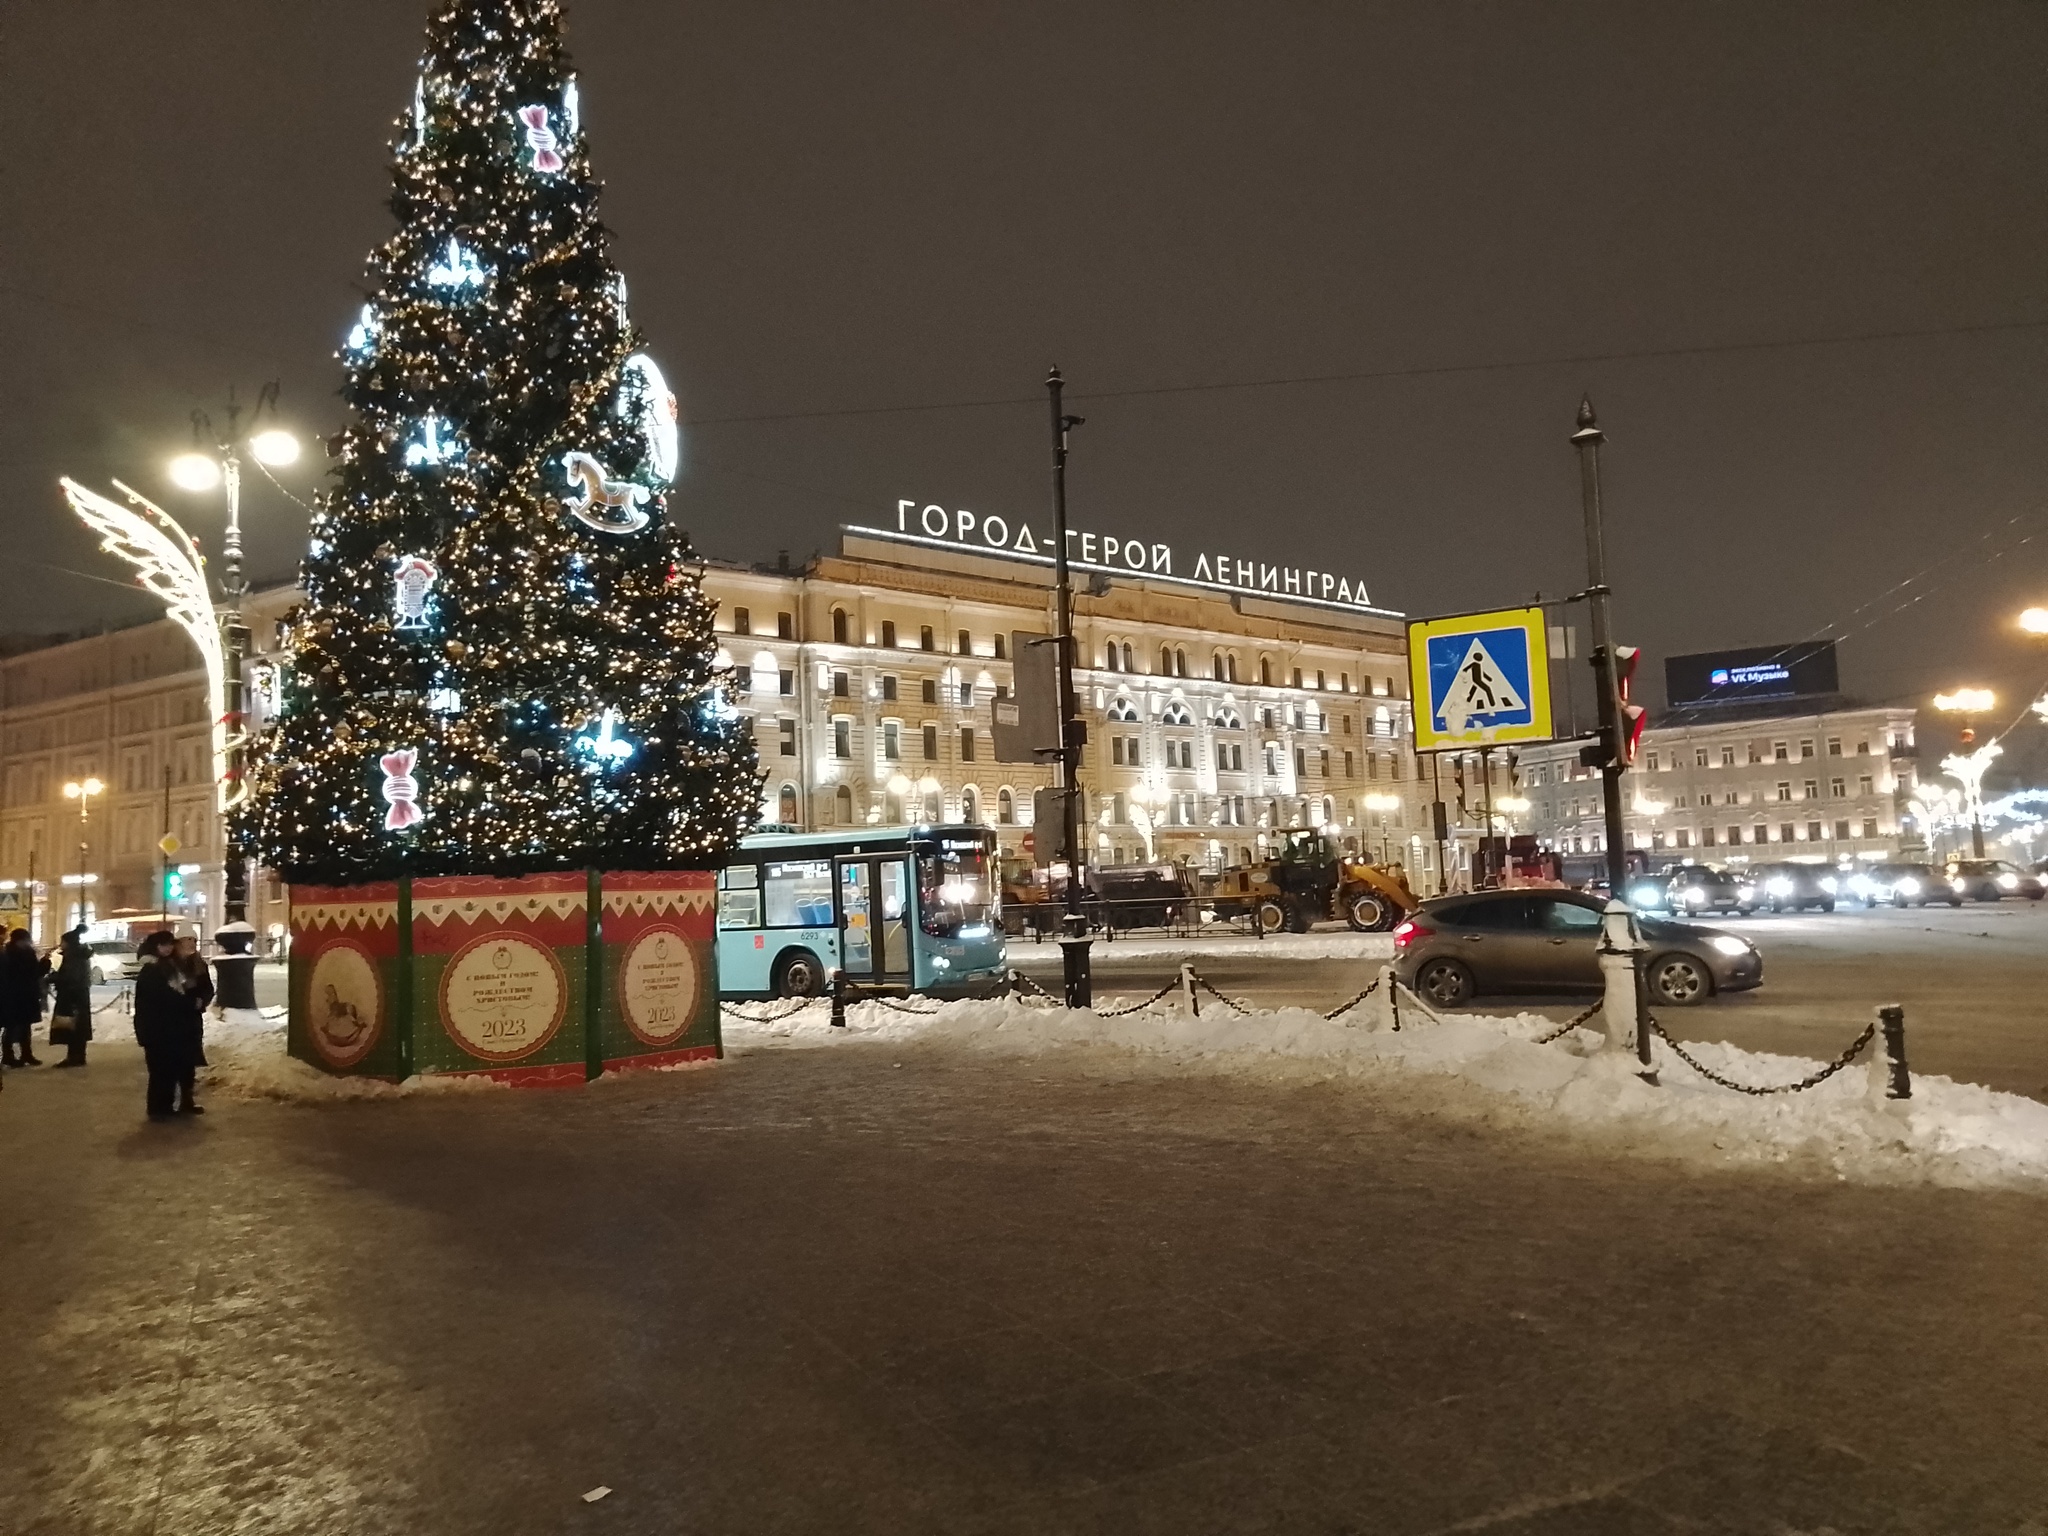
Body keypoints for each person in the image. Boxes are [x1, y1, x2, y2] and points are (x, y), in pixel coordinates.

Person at [134, 930, 200, 1118]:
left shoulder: (169, 966)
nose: (168, 948)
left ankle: (166, 1107)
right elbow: (163, 998)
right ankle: (158, 1110)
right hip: (157, 1029)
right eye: (164, 945)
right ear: (156, 947)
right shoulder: (151, 969)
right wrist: (189, 1003)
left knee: (169, 1069)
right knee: (160, 1071)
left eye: (170, 944)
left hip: (169, 1028)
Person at [1, 927, 50, 1068]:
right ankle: (9, 1056)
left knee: (24, 1026)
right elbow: (30, 972)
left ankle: (26, 1054)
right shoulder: (10, 953)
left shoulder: (22, 952)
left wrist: (44, 964)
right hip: (15, 995)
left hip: (25, 994)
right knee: (12, 1026)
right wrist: (43, 965)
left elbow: (34, 972)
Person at [50, 927, 95, 1068]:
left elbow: (70, 977)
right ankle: (79, 1055)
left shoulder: (73, 957)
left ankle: (74, 1057)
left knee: (73, 1027)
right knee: (78, 1026)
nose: (61, 944)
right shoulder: (79, 954)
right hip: (79, 995)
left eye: (62, 941)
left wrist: (52, 978)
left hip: (71, 996)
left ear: (68, 943)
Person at [173, 934, 214, 1067]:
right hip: (175, 1013)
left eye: (194, 940)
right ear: (179, 942)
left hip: (193, 1013)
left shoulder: (199, 963)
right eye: (188, 939)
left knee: (193, 1043)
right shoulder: (171, 963)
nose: (192, 943)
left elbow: (208, 987)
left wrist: (202, 1000)